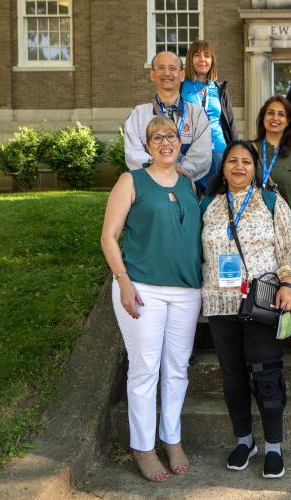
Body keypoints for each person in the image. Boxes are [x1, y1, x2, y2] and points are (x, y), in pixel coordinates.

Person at [101, 116, 203, 482]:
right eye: (156, 137)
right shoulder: (132, 181)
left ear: (180, 142)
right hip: (143, 288)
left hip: (187, 291)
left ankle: (171, 439)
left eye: (171, 136)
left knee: (176, 370)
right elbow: (109, 237)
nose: (165, 142)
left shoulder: (189, 184)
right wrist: (123, 280)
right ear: (146, 146)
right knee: (145, 369)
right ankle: (143, 447)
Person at [200, 140, 291, 479]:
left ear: (255, 168)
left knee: (267, 374)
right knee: (233, 375)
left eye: (246, 161)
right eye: (232, 160)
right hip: (220, 303)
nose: (238, 166)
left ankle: (273, 446)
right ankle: (244, 440)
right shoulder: (208, 205)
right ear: (223, 168)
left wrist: (290, 286)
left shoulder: (271, 202)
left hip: (263, 301)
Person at [124, 50, 212, 183]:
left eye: (172, 68)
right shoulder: (138, 115)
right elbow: (133, 154)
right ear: (152, 74)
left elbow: (202, 154)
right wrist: (161, 172)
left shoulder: (197, 114)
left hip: (187, 186)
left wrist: (180, 173)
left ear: (182, 75)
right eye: (161, 68)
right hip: (151, 187)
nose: (166, 73)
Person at [181, 40, 237, 195]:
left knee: (216, 198)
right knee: (191, 197)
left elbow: (230, 123)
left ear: (212, 61)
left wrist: (235, 150)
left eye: (207, 56)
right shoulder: (181, 87)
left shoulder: (219, 89)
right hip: (190, 150)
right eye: (197, 55)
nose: (202, 60)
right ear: (190, 59)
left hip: (218, 150)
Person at [252, 96, 291, 228]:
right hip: (253, 230)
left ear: (288, 121)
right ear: (263, 118)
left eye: (281, 114)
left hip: (286, 229)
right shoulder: (248, 150)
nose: (275, 118)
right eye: (270, 113)